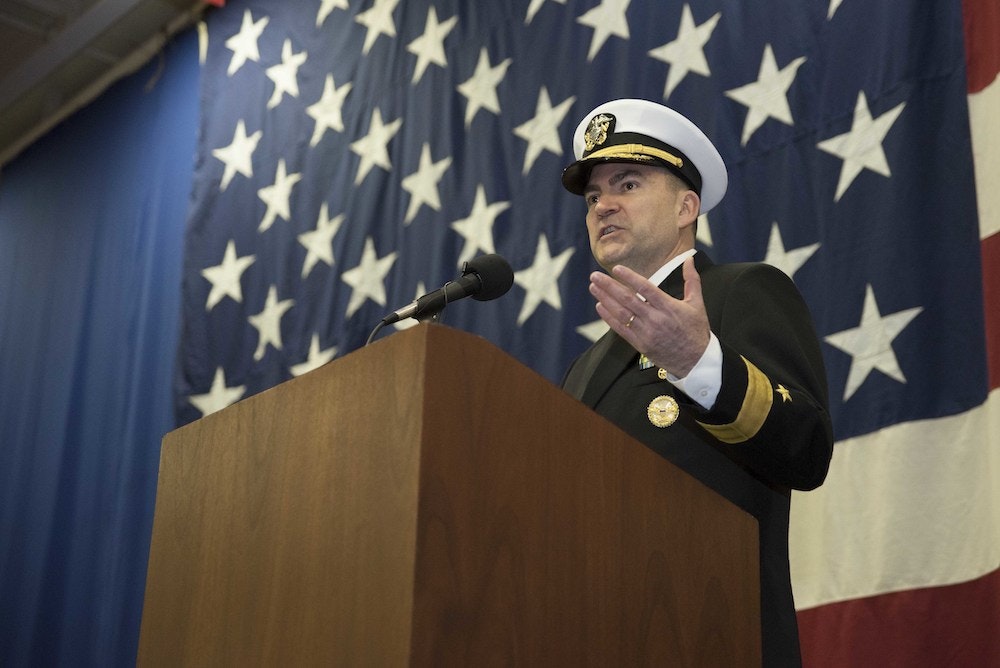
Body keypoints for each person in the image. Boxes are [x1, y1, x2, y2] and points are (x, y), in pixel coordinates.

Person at [560, 98, 834, 666]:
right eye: (592, 197)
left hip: (714, 633)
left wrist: (698, 361)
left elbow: (806, 451)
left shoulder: (743, 292)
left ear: (687, 206)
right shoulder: (583, 369)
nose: (602, 205)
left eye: (627, 184)